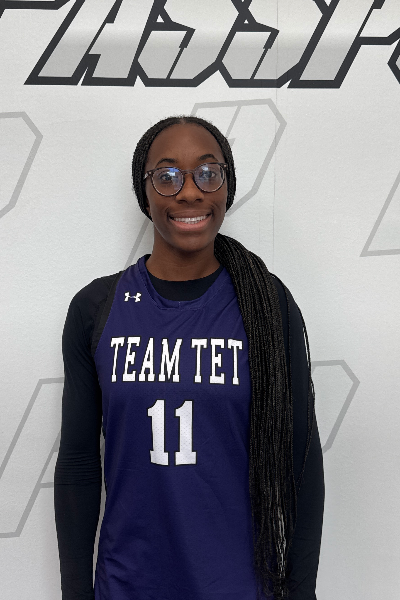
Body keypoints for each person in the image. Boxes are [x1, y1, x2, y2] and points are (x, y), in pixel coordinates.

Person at [54, 115, 325, 600]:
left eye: (207, 172)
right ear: (145, 193)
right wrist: (75, 592)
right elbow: (77, 463)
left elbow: (301, 462)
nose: (190, 193)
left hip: (241, 587)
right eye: (167, 176)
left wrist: (301, 592)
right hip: (128, 585)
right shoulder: (97, 308)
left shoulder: (267, 305)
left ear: (227, 186)